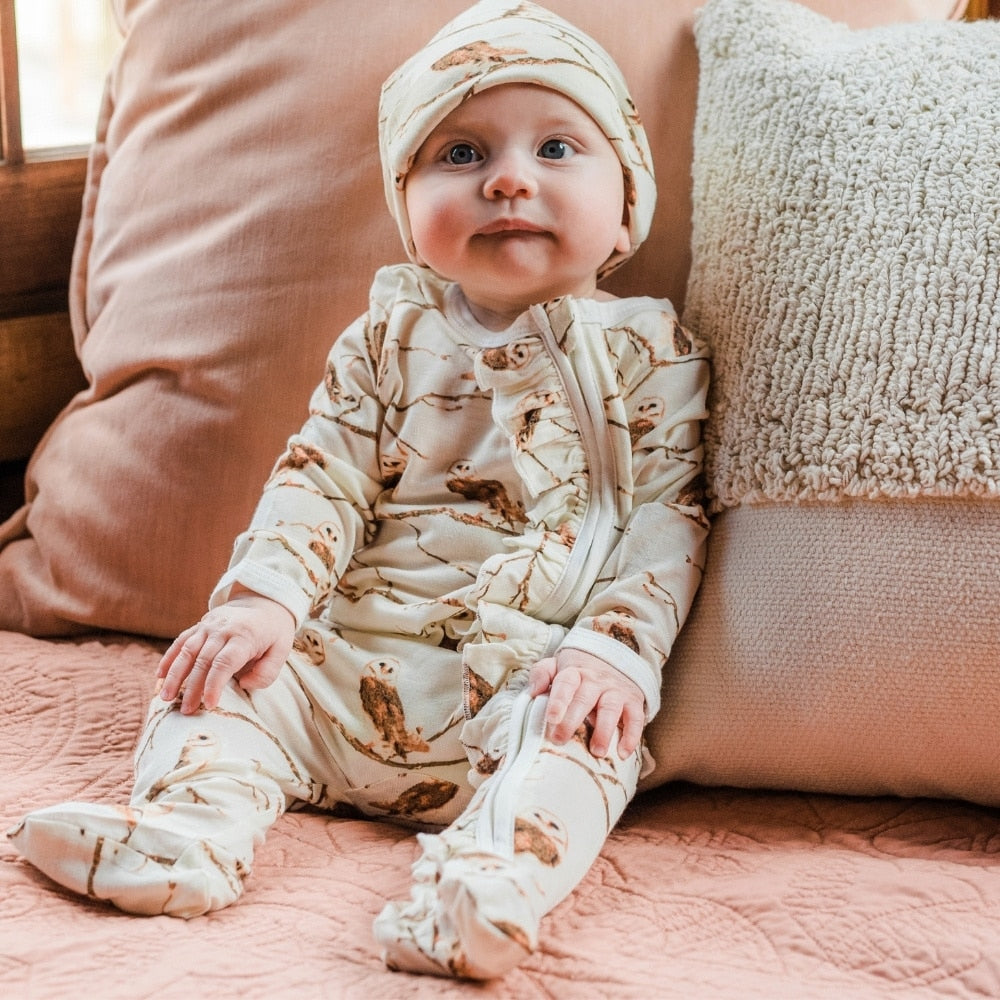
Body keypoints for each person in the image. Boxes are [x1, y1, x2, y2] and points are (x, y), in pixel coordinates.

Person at [8, 0, 710, 980]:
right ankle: (187, 836)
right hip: (348, 665)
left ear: (626, 196)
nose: (509, 177)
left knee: (587, 748)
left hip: (526, 675)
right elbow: (321, 476)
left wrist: (613, 654)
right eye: (460, 155)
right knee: (211, 684)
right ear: (407, 204)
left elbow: (665, 516)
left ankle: (485, 887)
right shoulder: (386, 342)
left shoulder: (652, 349)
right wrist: (264, 604)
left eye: (557, 147)